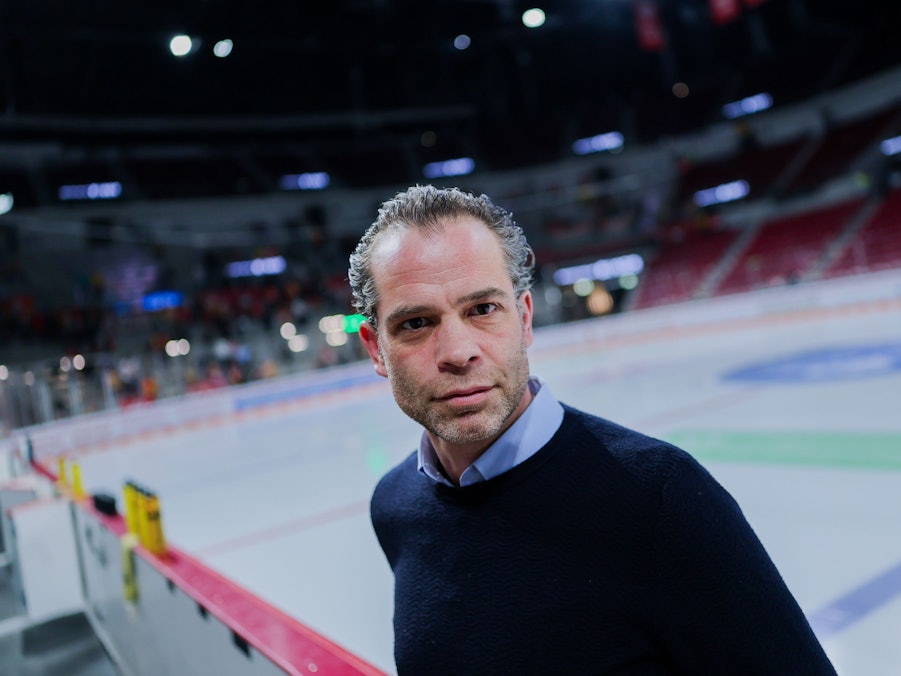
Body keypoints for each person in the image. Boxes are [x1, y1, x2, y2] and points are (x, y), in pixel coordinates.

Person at [348, 185, 836, 675]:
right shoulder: (394, 505)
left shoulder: (660, 497)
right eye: (415, 323)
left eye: (482, 310)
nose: (458, 351)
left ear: (524, 318)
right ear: (375, 350)